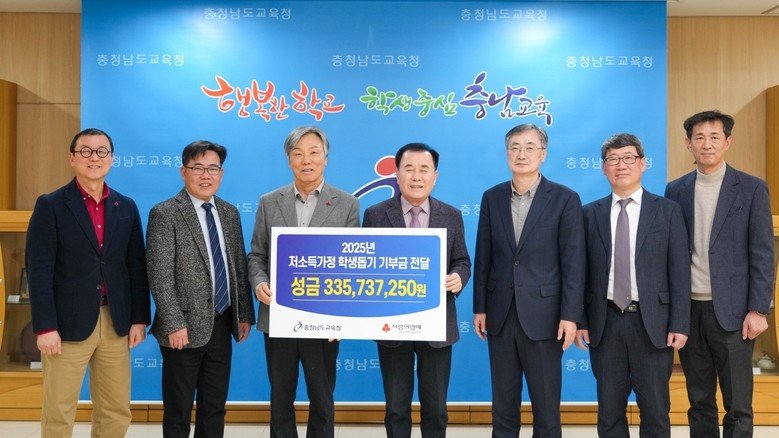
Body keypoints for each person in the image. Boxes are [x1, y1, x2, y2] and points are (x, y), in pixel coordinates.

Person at [26, 128, 151, 437]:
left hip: (115, 321)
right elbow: (39, 271)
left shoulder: (126, 206)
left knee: (115, 410)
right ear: (72, 158)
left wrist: (139, 318)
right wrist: (44, 327)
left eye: (101, 151)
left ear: (112, 158)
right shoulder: (51, 205)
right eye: (85, 151)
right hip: (65, 324)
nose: (94, 157)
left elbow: (136, 267)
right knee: (59, 410)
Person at [665, 110, 775, 438]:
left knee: (738, 403)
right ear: (688, 143)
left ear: (728, 142)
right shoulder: (676, 190)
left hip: (734, 312)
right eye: (699, 137)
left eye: (714, 137)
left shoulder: (752, 188)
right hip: (689, 310)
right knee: (699, 400)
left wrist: (759, 309)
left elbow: (763, 253)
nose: (707, 144)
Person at [472, 123, 585, 438]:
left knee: (546, 409)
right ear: (507, 153)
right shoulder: (492, 197)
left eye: (530, 147)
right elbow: (484, 255)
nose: (522, 154)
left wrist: (570, 315)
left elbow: (574, 263)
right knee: (503, 407)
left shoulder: (565, 198)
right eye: (515, 147)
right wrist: (480, 306)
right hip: (501, 314)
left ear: (543, 154)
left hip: (546, 317)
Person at [574, 133, 691, 437]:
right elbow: (580, 273)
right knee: (609, 411)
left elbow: (679, 272)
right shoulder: (589, 214)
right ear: (604, 168)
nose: (621, 165)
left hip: (653, 324)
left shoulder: (667, 211)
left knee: (655, 410)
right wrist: (581, 320)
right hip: (605, 322)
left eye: (628, 158)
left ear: (643, 163)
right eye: (613, 159)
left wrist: (680, 323)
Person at [247, 125, 360, 438]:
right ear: (289, 160)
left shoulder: (347, 204)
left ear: (326, 158)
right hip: (279, 315)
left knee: (322, 398)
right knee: (280, 397)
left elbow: (352, 266)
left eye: (314, 153)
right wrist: (259, 284)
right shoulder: (269, 202)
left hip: (324, 319)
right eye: (298, 154)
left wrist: (342, 317)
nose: (306, 160)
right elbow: (257, 255)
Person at [146, 140, 255, 437]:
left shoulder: (229, 213)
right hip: (182, 329)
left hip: (222, 322)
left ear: (221, 173)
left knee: (214, 407)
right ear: (184, 172)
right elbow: (159, 274)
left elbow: (237, 266)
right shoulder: (165, 213)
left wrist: (244, 313)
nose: (206, 175)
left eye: (212, 168)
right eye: (198, 168)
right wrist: (173, 322)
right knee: (178, 409)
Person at [362, 143, 472, 438]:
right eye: (408, 169)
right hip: (392, 324)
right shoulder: (375, 215)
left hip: (437, 324)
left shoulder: (451, 215)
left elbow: (462, 260)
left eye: (424, 169)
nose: (416, 176)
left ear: (435, 176)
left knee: (435, 408)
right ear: (397, 174)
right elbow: (365, 263)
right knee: (396, 407)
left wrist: (458, 277)